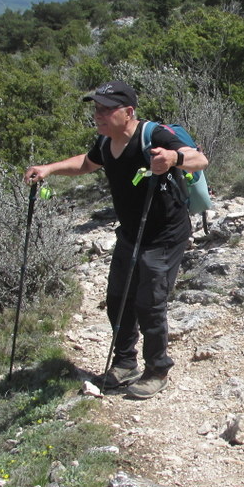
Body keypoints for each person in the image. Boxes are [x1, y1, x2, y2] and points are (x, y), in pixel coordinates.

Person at [23, 81, 208, 399]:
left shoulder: (154, 135)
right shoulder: (107, 142)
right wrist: (49, 169)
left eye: (106, 109)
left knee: (149, 303)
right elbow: (87, 163)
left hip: (165, 233)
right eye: (96, 109)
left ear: (128, 112)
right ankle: (124, 364)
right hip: (130, 232)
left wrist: (173, 160)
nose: (99, 115)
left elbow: (198, 159)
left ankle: (157, 369)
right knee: (118, 299)